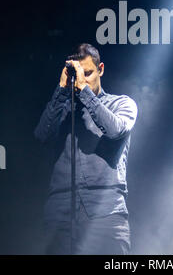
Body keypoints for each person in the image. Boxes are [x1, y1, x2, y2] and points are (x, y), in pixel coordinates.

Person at [34, 43, 138, 255]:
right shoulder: (62, 109)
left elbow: (115, 130)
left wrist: (86, 93)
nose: (82, 80)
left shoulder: (121, 104)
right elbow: (41, 136)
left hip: (105, 210)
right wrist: (62, 90)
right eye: (79, 75)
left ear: (101, 69)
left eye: (88, 73)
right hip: (60, 209)